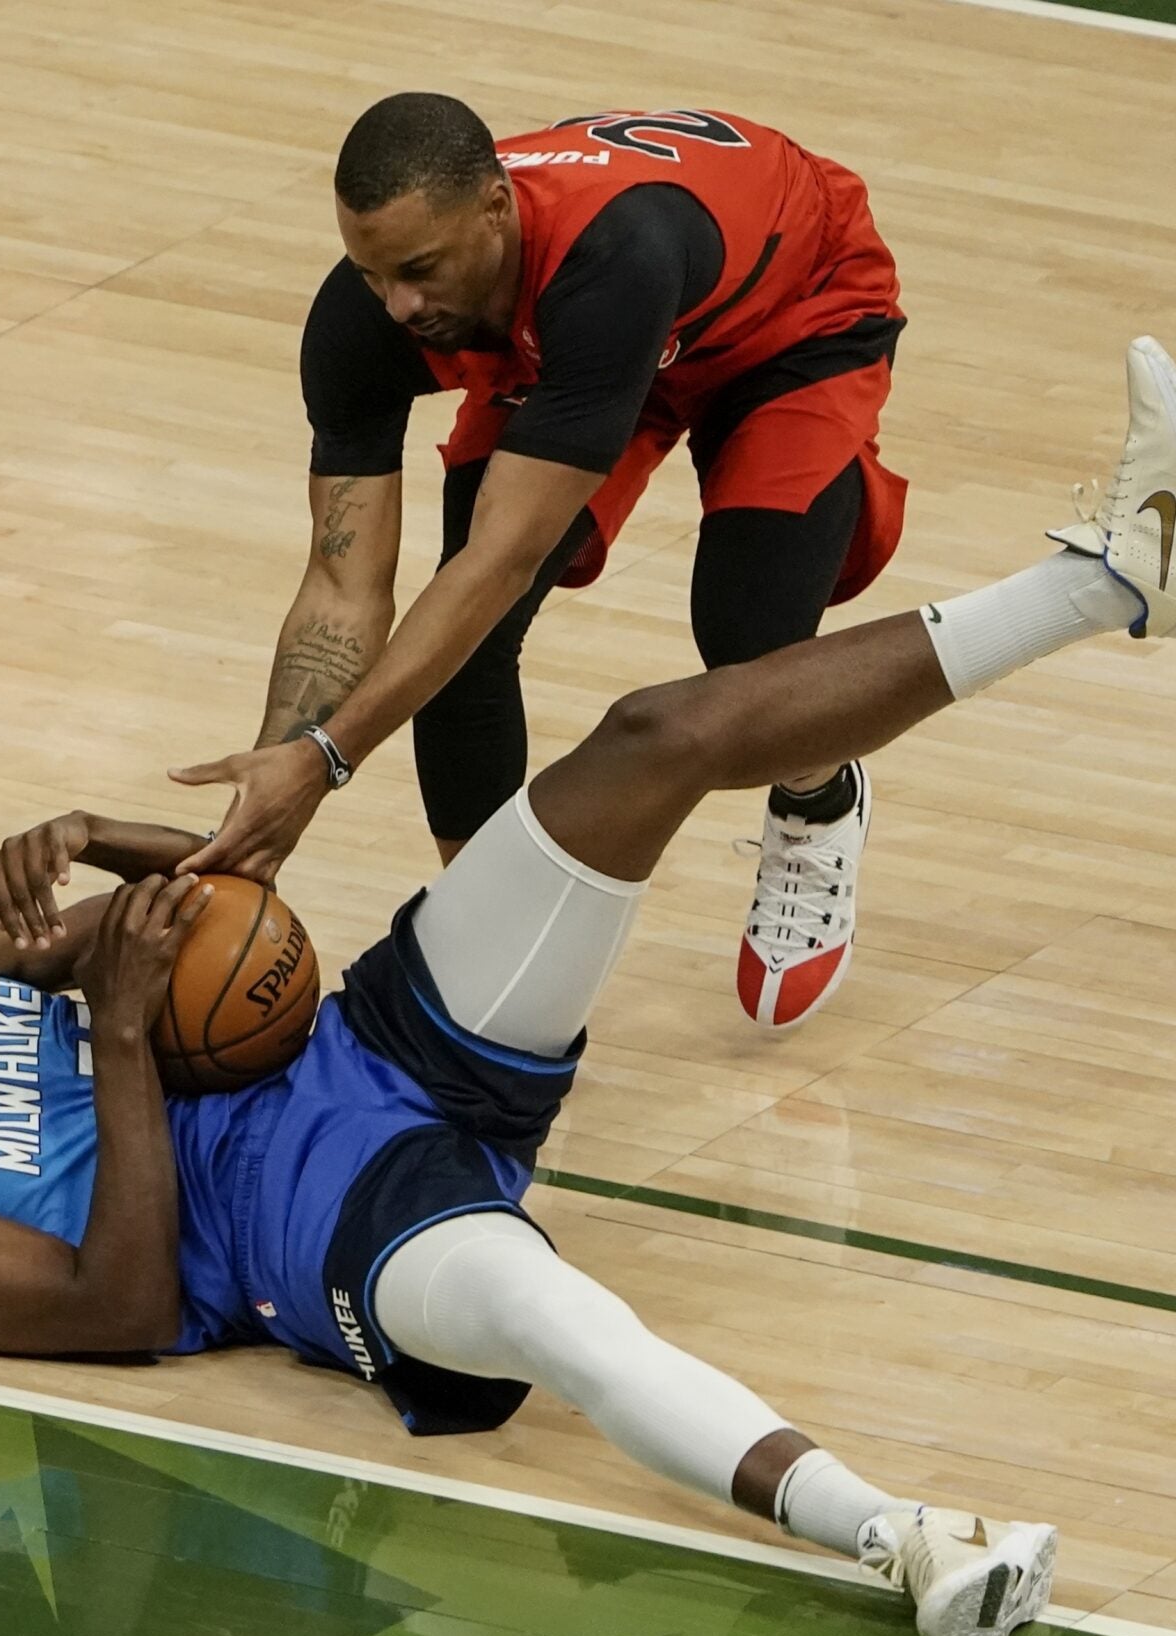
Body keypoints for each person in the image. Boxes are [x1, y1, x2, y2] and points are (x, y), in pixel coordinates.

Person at [0, 339, 1176, 1636]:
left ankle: (1114, 575)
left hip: (366, 1044)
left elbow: (202, 914)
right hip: (317, 1230)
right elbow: (125, 1310)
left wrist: (104, 836)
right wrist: (131, 1039)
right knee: (568, 1323)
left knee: (648, 737)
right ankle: (904, 1540)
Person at [171, 92, 920, 1032]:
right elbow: (340, 584)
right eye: (370, 273)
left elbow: (497, 562)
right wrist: (266, 801)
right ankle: (497, 939)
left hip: (786, 316)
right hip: (577, 347)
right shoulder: (364, 321)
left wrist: (328, 760)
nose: (399, 304)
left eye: (418, 271)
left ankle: (818, 794)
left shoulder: (613, 259)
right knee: (459, 660)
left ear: (495, 208)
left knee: (747, 643)